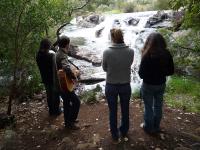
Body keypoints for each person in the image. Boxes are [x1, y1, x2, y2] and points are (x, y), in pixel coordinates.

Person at [102, 28, 134, 143]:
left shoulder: (106, 52)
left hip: (111, 85)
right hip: (125, 85)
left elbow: (104, 68)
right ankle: (124, 131)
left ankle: (114, 134)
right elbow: (129, 64)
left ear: (112, 38)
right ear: (122, 36)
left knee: (112, 111)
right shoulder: (131, 51)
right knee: (125, 110)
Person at [139, 32, 174, 134]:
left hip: (148, 85)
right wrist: (161, 72)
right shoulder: (167, 53)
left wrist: (149, 75)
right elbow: (171, 71)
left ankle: (148, 127)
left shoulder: (147, 54)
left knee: (148, 106)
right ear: (162, 42)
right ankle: (156, 126)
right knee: (158, 106)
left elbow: (141, 74)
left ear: (149, 42)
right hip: (161, 84)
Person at [56, 36, 80, 130]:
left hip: (60, 83)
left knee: (67, 103)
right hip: (63, 84)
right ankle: (70, 122)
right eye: (69, 43)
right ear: (67, 44)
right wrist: (74, 76)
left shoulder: (58, 52)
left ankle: (69, 121)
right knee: (76, 102)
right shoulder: (62, 55)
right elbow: (66, 67)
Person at [36, 38, 62, 116]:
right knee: (55, 94)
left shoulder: (38, 54)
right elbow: (55, 66)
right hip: (53, 78)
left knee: (49, 95)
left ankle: (51, 111)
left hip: (44, 77)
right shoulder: (51, 55)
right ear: (48, 46)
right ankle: (56, 111)